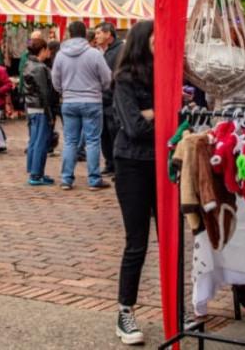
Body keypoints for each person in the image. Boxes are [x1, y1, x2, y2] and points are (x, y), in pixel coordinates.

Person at [110, 20, 156, 345]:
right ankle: (125, 311)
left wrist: (153, 113)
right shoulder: (125, 80)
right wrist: (161, 113)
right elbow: (135, 128)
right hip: (132, 165)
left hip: (162, 164)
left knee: (172, 238)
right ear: (142, 42)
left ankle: (178, 307)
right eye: (156, 39)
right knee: (137, 241)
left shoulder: (165, 76)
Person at [52, 21, 112, 191]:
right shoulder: (94, 54)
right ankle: (94, 179)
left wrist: (64, 91)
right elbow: (107, 78)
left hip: (69, 101)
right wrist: (98, 88)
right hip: (92, 100)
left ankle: (66, 179)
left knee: (70, 141)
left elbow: (55, 80)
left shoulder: (61, 55)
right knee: (93, 141)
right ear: (86, 34)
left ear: (69, 34)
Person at [22, 38, 56, 186]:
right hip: (40, 108)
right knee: (40, 142)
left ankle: (35, 171)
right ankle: (36, 174)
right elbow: (45, 92)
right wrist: (50, 114)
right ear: (42, 50)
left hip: (32, 107)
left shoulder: (28, 64)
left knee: (34, 141)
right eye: (47, 49)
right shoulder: (39, 68)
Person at [95, 23, 123, 177]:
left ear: (108, 34)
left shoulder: (119, 51)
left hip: (113, 99)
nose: (96, 36)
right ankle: (110, 163)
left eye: (99, 33)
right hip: (103, 99)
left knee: (113, 133)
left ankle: (116, 165)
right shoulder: (104, 52)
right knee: (104, 134)